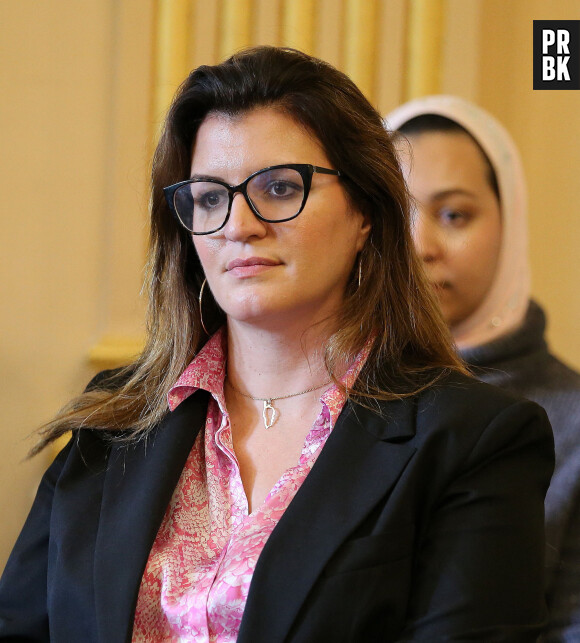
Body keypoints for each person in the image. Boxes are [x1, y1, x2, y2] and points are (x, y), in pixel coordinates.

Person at [0, 49, 553, 642]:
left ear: (365, 210)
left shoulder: (474, 439)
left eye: (281, 187)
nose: (239, 224)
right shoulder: (117, 419)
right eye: (210, 197)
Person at [387, 94, 580, 642]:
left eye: (454, 215)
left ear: (510, 221)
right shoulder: (324, 394)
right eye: (397, 213)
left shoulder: (573, 419)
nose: (420, 245)